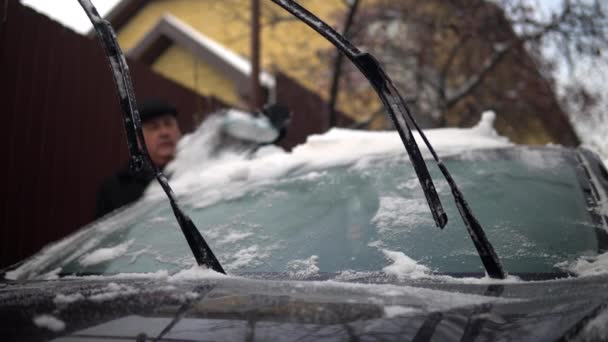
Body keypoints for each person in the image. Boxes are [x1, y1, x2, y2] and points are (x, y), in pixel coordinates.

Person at [95, 98, 182, 219]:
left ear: (178, 132)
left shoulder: (199, 173)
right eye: (154, 127)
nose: (164, 132)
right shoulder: (116, 189)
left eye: (168, 124)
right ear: (138, 140)